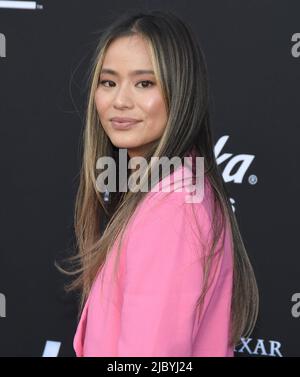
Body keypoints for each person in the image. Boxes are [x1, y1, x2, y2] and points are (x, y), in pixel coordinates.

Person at [59, 9, 259, 357]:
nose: (119, 100)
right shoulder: (167, 189)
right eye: (108, 82)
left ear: (180, 92)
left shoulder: (173, 208)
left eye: (144, 83)